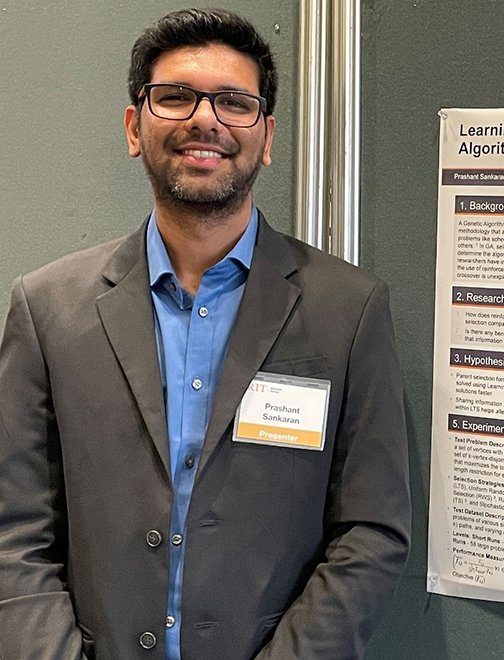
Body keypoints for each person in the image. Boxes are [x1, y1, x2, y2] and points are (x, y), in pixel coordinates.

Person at [0, 8, 410, 660]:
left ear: (267, 136)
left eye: (233, 102)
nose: (205, 119)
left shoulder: (348, 312)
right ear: (135, 126)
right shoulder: (47, 310)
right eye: (176, 97)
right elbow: (13, 531)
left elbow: (371, 530)